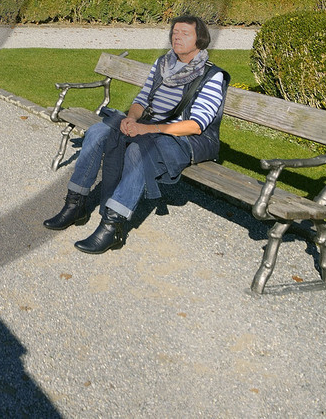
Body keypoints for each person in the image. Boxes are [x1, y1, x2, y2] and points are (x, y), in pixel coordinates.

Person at [42, 15, 228, 253]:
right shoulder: (164, 64)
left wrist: (147, 129)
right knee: (98, 131)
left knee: (139, 151)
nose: (177, 37)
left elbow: (196, 125)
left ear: (200, 40)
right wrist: (131, 119)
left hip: (184, 138)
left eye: (185, 33)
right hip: (150, 125)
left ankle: (112, 226)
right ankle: (75, 204)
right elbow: (142, 99)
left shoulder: (211, 75)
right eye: (175, 32)